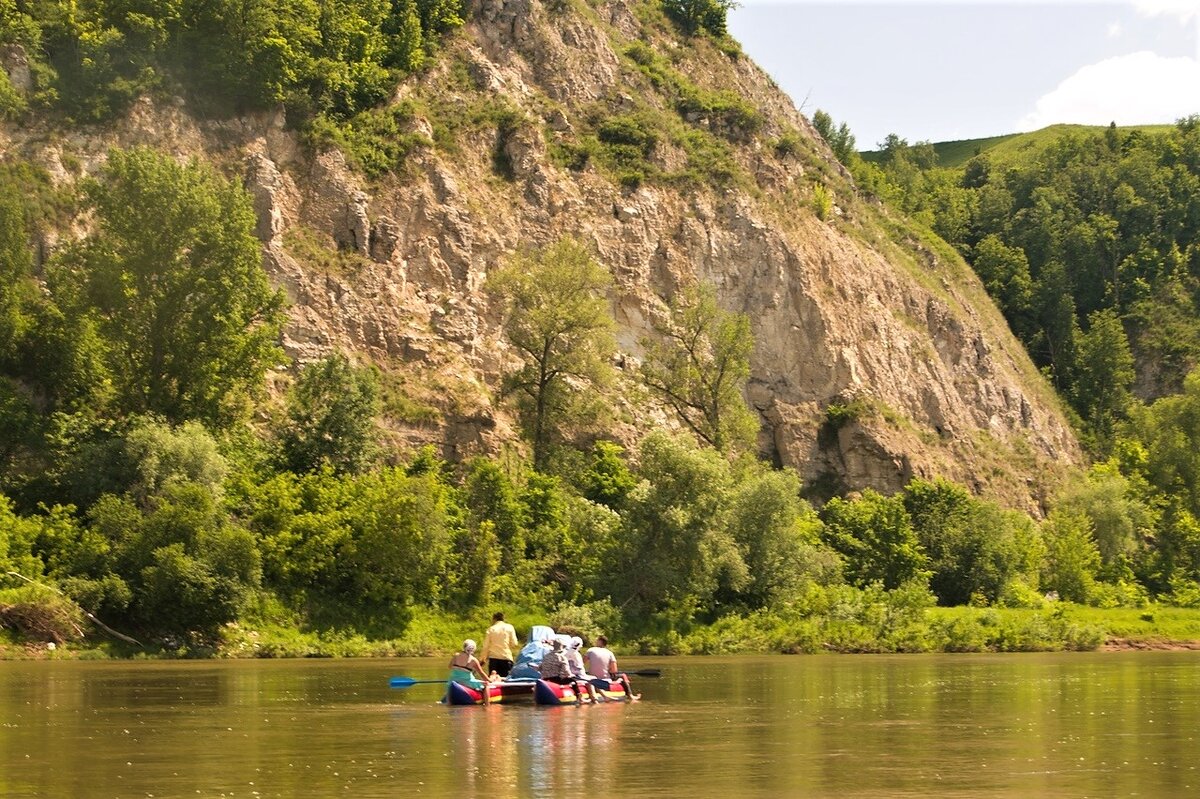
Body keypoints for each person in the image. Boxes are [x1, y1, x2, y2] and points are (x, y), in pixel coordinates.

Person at [539, 637, 598, 703]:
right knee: (573, 681)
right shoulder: (562, 657)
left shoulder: (546, 656)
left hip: (545, 679)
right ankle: (579, 698)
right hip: (556, 679)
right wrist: (570, 675)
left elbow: (540, 668)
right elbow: (566, 671)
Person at [586, 635, 633, 699]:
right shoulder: (610, 653)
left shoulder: (590, 650)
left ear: (600, 641)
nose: (596, 642)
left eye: (597, 640)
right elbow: (614, 670)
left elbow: (581, 663)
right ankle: (630, 695)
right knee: (623, 675)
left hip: (593, 678)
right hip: (606, 680)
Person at [481, 611, 519, 678]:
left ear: (494, 619)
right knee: (506, 680)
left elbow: (486, 646)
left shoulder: (491, 629)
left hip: (494, 659)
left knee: (493, 681)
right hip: (506, 657)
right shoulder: (510, 627)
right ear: (503, 618)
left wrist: (483, 659)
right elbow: (514, 644)